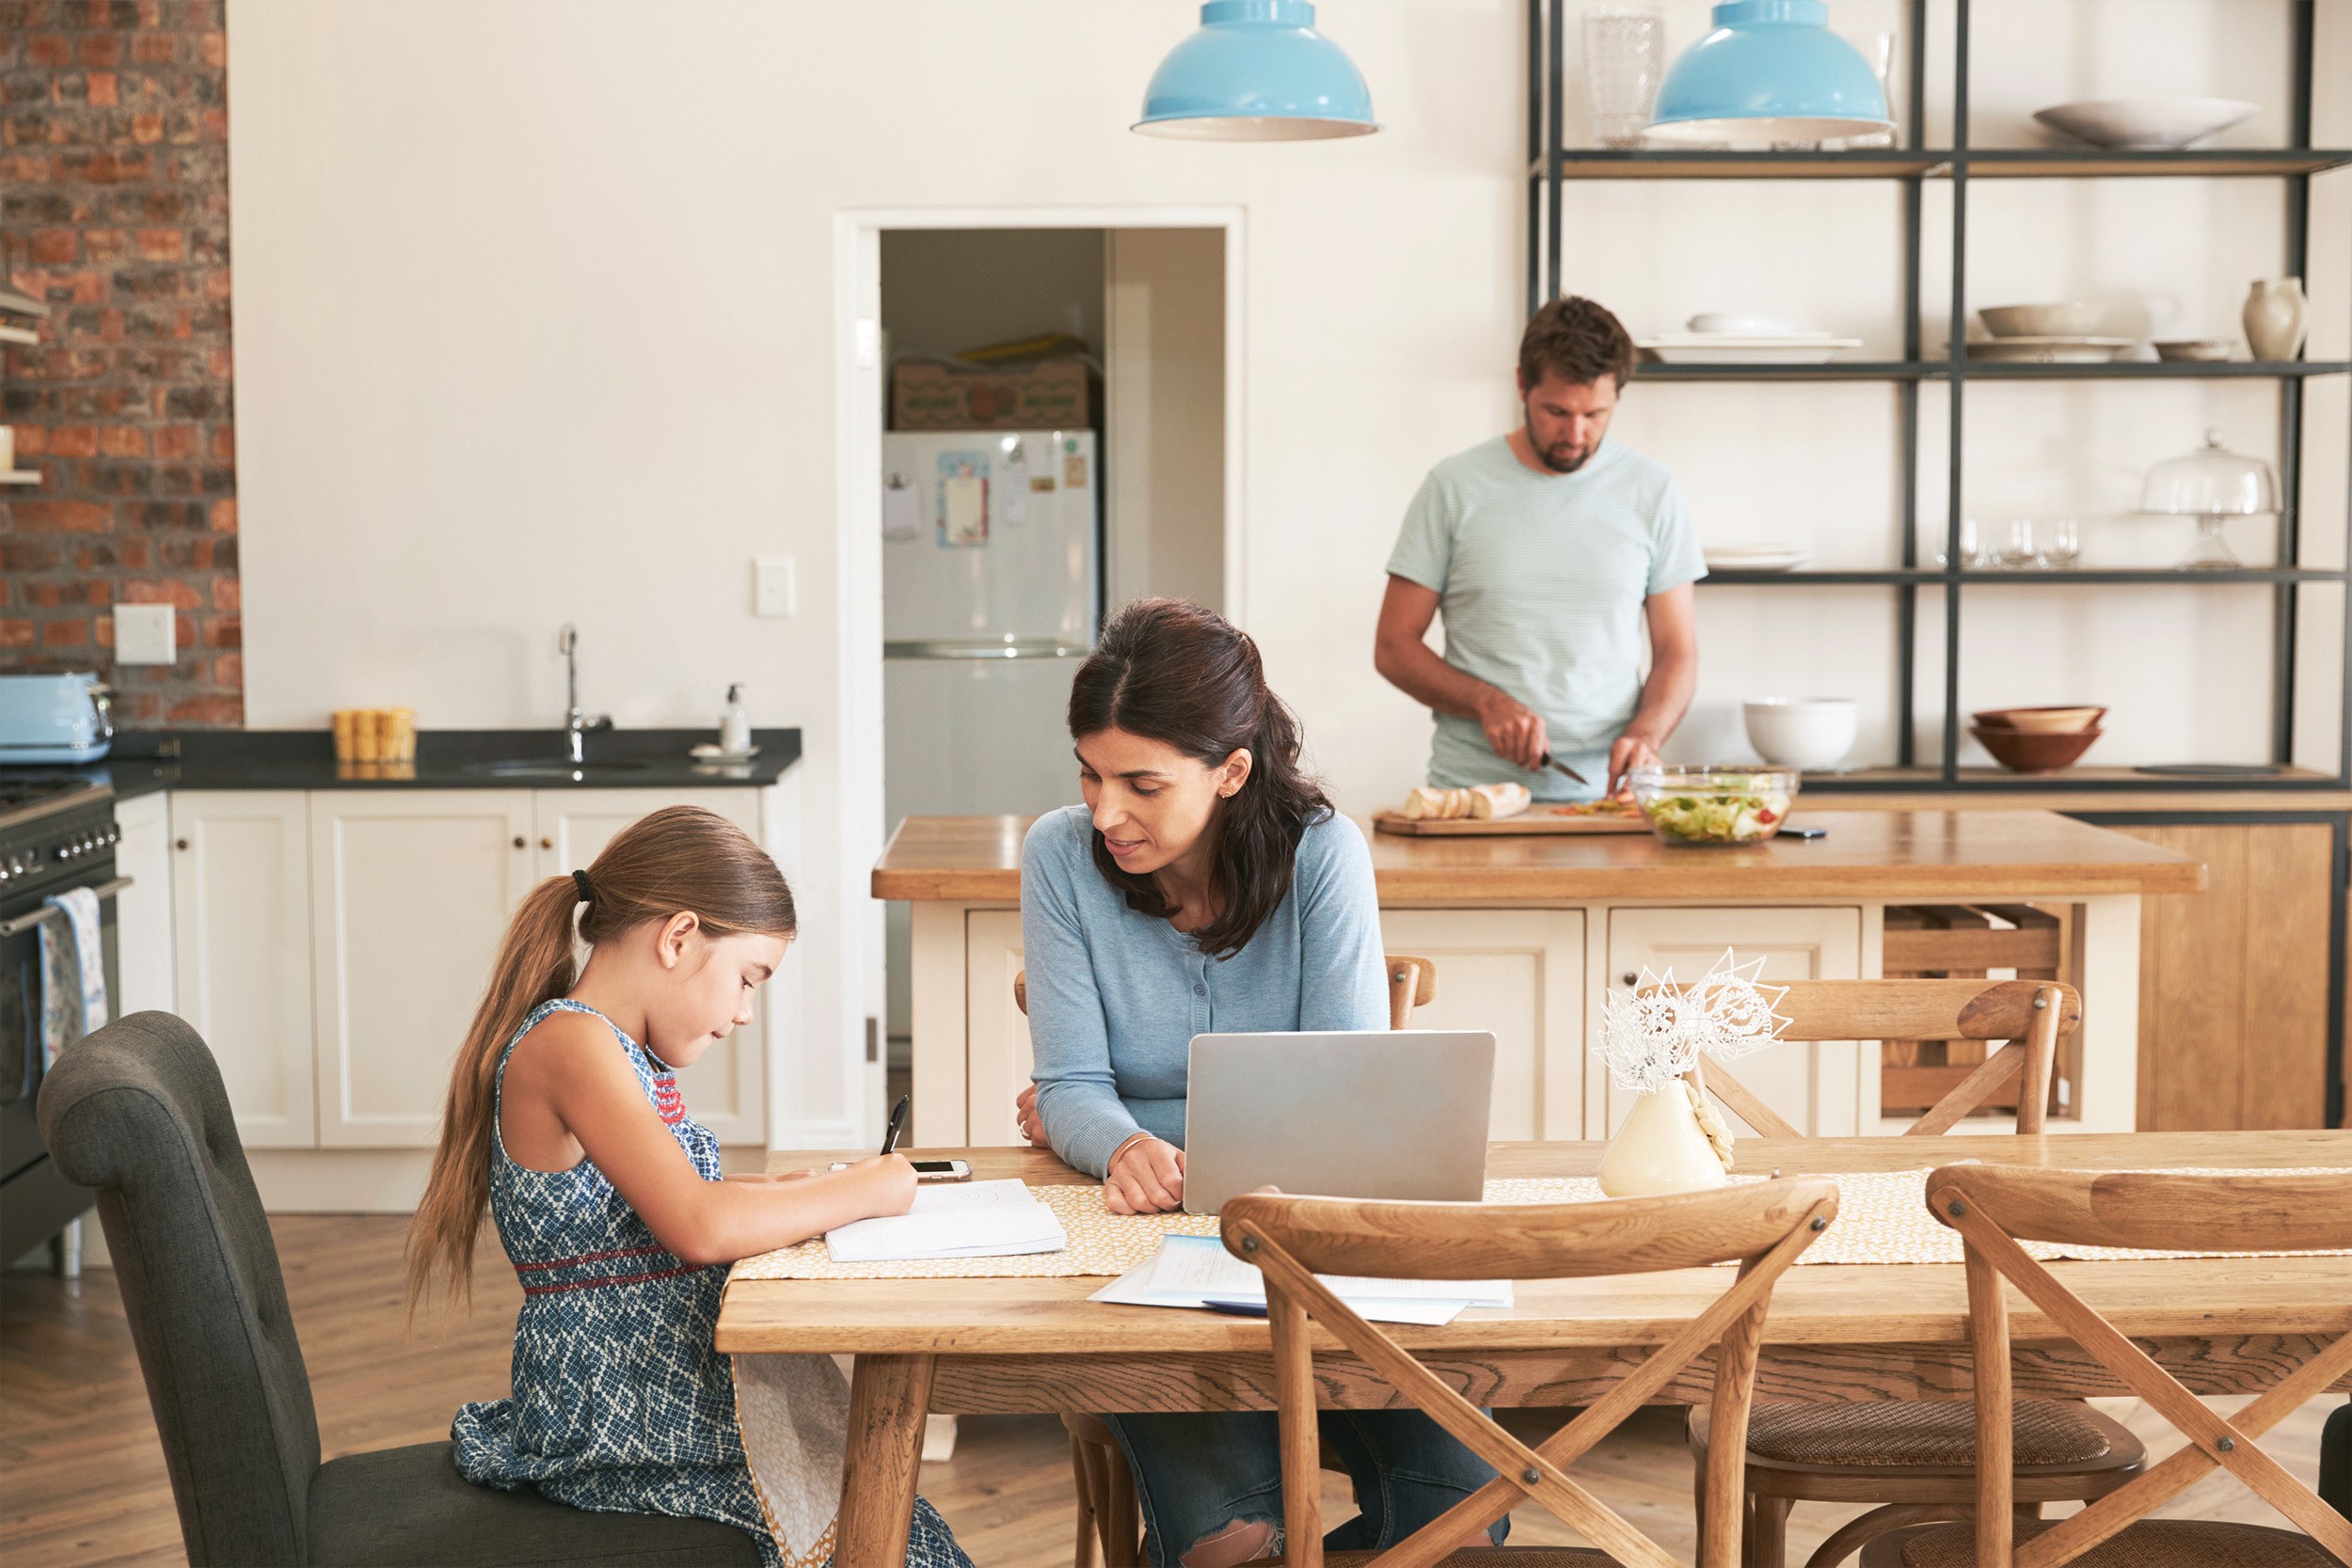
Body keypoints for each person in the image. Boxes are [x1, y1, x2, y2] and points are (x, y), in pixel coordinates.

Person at [1012, 597, 1505, 1568]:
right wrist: (1114, 1137)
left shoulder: (1323, 852)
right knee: (1230, 1537)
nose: (1106, 811)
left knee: (1463, 1511)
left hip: (1328, 1254)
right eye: (1091, 774)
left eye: (1142, 784)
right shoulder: (1058, 855)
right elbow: (1069, 1083)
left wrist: (1122, 1115)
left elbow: (1349, 1100)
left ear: (1231, 771)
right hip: (1150, 1253)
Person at [407, 805, 970, 1568]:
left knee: (891, 1513)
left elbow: (651, 1206)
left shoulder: (617, 1050)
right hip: (617, 1409)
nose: (742, 1012)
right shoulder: (572, 1043)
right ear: (677, 937)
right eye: (746, 979)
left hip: (651, 1392)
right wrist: (868, 1188)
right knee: (868, 1524)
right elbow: (696, 1223)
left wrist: (785, 1188)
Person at [1375, 294, 1704, 799]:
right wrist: (1486, 702)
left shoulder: (1653, 491)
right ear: (1522, 385)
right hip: (1473, 797)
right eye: (1556, 411)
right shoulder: (1452, 487)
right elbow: (1394, 646)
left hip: (1610, 799)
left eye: (1595, 414)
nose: (1575, 434)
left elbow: (1677, 651)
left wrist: (1646, 734)